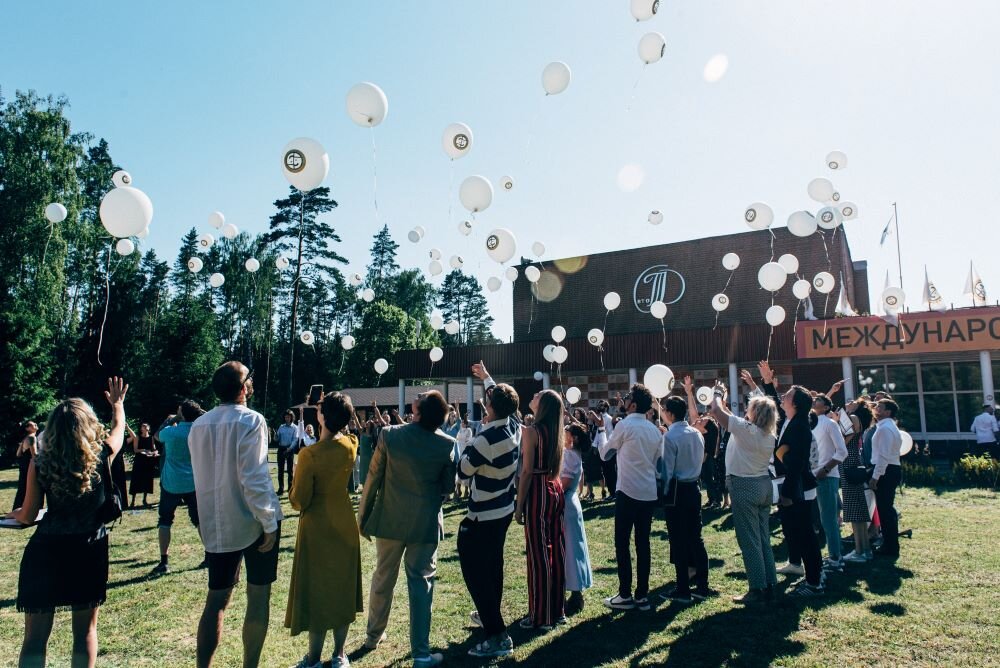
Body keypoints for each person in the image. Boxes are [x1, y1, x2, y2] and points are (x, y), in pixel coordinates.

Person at [9, 377, 129, 668]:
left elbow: (28, 514)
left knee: (35, 640)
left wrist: (14, 515)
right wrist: (118, 405)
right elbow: (118, 430)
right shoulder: (102, 456)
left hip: (46, 550)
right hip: (88, 549)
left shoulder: (40, 461)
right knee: (84, 632)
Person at [189, 362, 283, 668]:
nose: (253, 383)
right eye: (249, 379)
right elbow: (253, 478)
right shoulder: (252, 421)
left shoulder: (199, 425)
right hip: (253, 522)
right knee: (258, 598)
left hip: (217, 523)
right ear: (243, 389)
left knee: (216, 599)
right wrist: (269, 522)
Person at [358, 390, 456, 667]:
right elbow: (448, 488)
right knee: (422, 584)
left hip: (390, 520)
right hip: (424, 523)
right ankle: (422, 653)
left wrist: (362, 516)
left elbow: (372, 477)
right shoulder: (446, 444)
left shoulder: (390, 435)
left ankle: (373, 636)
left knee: (383, 577)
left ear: (418, 411)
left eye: (420, 397)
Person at [285, 392, 363, 668]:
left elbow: (298, 500)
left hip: (317, 526)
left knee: (317, 590)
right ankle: (340, 654)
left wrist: (296, 477)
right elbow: (347, 433)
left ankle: (313, 659)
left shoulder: (310, 455)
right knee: (341, 587)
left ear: (322, 417)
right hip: (344, 520)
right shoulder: (351, 444)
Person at [457, 362, 521, 659]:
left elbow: (462, 472)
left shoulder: (485, 439)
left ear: (491, 408)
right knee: (493, 566)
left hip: (482, 515)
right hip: (503, 508)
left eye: (487, 402)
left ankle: (498, 636)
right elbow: (499, 397)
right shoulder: (513, 425)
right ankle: (488, 615)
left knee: (477, 573)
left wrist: (467, 443)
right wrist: (486, 378)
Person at [708, 384, 779, 604]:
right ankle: (770, 582)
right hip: (763, 485)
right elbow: (733, 420)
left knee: (749, 540)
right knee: (762, 538)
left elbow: (717, 413)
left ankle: (756, 588)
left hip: (744, 487)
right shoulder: (767, 435)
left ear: (755, 413)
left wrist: (718, 395)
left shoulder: (747, 431)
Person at [600, 384, 664, 612]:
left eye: (627, 397)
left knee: (622, 543)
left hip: (627, 492)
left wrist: (601, 431)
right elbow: (659, 465)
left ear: (633, 405)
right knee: (643, 543)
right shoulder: (655, 430)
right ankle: (642, 595)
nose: (624, 400)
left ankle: (625, 594)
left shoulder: (625, 426)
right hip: (648, 493)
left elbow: (605, 454)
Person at [515, 389, 566, 630]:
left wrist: (518, 506)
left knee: (538, 555)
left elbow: (526, 472)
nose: (532, 396)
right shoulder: (555, 431)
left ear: (542, 405)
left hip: (537, 491)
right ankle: (557, 610)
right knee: (556, 549)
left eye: (537, 395)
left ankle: (541, 615)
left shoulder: (531, 432)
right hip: (554, 489)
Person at [659, 395, 710, 603]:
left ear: (670, 414)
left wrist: (662, 492)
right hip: (694, 487)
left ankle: (682, 588)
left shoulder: (670, 438)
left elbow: (667, 471)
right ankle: (702, 585)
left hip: (677, 491)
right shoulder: (696, 434)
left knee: (678, 540)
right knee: (696, 538)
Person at [778, 386, 824, 597]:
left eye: (787, 395)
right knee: (797, 532)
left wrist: (787, 493)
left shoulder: (799, 427)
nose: (783, 397)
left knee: (806, 535)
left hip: (799, 488)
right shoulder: (792, 421)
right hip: (796, 486)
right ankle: (803, 569)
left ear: (794, 403)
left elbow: (797, 462)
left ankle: (814, 582)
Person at [152, 400, 207, 575]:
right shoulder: (199, 432)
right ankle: (209, 555)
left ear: (181, 413)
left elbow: (156, 436)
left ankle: (164, 561)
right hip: (193, 482)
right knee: (199, 520)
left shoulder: (170, 432)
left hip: (171, 483)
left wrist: (171, 419)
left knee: (165, 521)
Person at [811, 394, 849, 572]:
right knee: (823, 519)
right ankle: (835, 554)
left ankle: (836, 558)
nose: (814, 400)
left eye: (819, 400)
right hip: (814, 476)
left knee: (829, 519)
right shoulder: (812, 424)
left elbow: (842, 452)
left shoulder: (830, 424)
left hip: (827, 477)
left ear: (826, 407)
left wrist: (825, 470)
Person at [562, 424, 594, 614]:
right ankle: (573, 593)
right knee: (573, 547)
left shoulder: (570, 456)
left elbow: (563, 484)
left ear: (572, 438)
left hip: (566, 504)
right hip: (571, 502)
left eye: (565, 432)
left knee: (571, 549)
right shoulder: (572, 454)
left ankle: (575, 593)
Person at [839, 401, 874, 563]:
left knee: (854, 508)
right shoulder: (854, 417)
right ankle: (864, 549)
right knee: (857, 508)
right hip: (854, 460)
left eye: (853, 402)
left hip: (848, 461)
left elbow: (847, 436)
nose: (849, 402)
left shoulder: (852, 417)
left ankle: (860, 550)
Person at [870, 399, 903, 558]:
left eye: (879, 407)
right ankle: (890, 544)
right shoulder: (887, 427)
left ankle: (890, 546)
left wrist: (876, 477)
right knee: (886, 509)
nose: (875, 408)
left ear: (887, 412)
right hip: (890, 468)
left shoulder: (885, 429)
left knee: (885, 509)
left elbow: (883, 455)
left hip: (887, 470)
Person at [127, 423, 158, 508]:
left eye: (146, 426)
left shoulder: (151, 438)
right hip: (139, 461)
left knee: (147, 480)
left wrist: (155, 452)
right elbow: (135, 450)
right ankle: (132, 501)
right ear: (141, 429)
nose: (144, 427)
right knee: (136, 480)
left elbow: (154, 448)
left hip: (148, 461)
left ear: (148, 428)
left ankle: (145, 500)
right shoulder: (138, 437)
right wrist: (144, 450)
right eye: (142, 426)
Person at [12, 421, 38, 512]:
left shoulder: (25, 438)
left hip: (23, 465)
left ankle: (17, 509)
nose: (35, 424)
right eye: (32, 424)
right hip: (29, 465)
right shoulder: (32, 438)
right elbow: (35, 455)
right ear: (27, 428)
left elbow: (18, 454)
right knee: (30, 487)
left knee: (22, 487)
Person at [596, 400, 617, 500]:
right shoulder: (598, 418)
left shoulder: (608, 418)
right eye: (599, 405)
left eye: (602, 405)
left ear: (606, 407)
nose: (599, 406)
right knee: (605, 472)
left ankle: (614, 493)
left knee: (610, 472)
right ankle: (611, 492)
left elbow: (610, 433)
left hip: (608, 449)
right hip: (601, 449)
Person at [275, 410, 298, 495]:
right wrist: (275, 437)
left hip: (289, 449)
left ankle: (290, 489)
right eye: (285, 417)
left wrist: (290, 448)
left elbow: (295, 439)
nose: (287, 418)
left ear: (292, 417)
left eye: (288, 417)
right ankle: (280, 489)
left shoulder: (295, 428)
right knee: (280, 470)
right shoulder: (281, 427)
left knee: (289, 471)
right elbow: (277, 439)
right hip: (281, 449)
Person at [454, 418, 474, 498]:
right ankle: (459, 491)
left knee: (465, 471)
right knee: (458, 471)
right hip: (459, 449)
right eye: (461, 422)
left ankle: (466, 491)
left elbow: (469, 440)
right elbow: (457, 439)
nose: (462, 423)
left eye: (463, 422)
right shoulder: (460, 430)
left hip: (465, 450)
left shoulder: (468, 430)